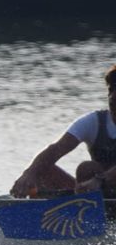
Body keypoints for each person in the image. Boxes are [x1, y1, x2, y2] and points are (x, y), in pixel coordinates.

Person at [10, 64, 116, 197]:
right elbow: (56, 149)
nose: (112, 97)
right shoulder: (94, 121)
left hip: (102, 185)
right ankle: (47, 211)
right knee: (42, 168)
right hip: (99, 195)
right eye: (111, 90)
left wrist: (100, 180)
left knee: (87, 168)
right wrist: (28, 174)